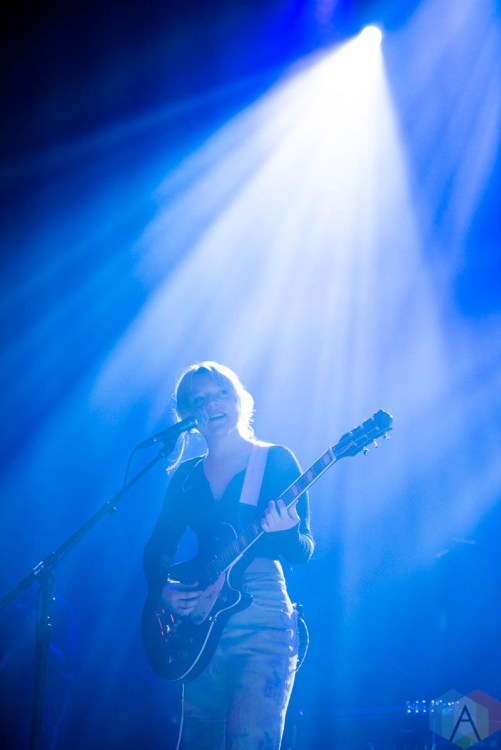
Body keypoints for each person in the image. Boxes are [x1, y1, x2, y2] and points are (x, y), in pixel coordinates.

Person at [143, 361, 314, 750]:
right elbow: (157, 548)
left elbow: (304, 549)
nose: (211, 404)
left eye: (221, 393)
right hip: (202, 615)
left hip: (263, 614)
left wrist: (287, 532)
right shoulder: (186, 476)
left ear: (239, 400)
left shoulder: (275, 460)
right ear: (188, 415)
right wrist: (162, 591)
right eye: (198, 399)